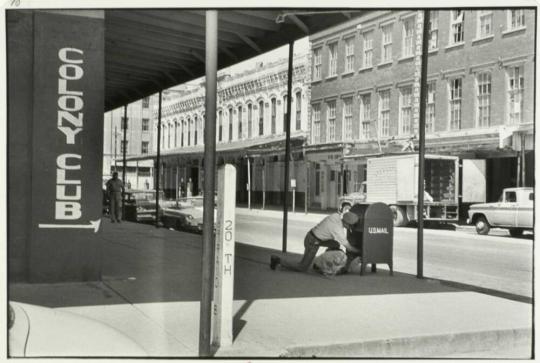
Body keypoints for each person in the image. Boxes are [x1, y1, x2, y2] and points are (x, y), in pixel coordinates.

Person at [270, 212, 360, 273]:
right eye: (351, 226)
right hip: (312, 242)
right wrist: (360, 251)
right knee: (303, 267)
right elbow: (349, 248)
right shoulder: (338, 229)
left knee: (335, 244)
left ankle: (324, 264)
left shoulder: (335, 216)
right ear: (347, 223)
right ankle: (278, 260)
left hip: (312, 236)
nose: (350, 229)